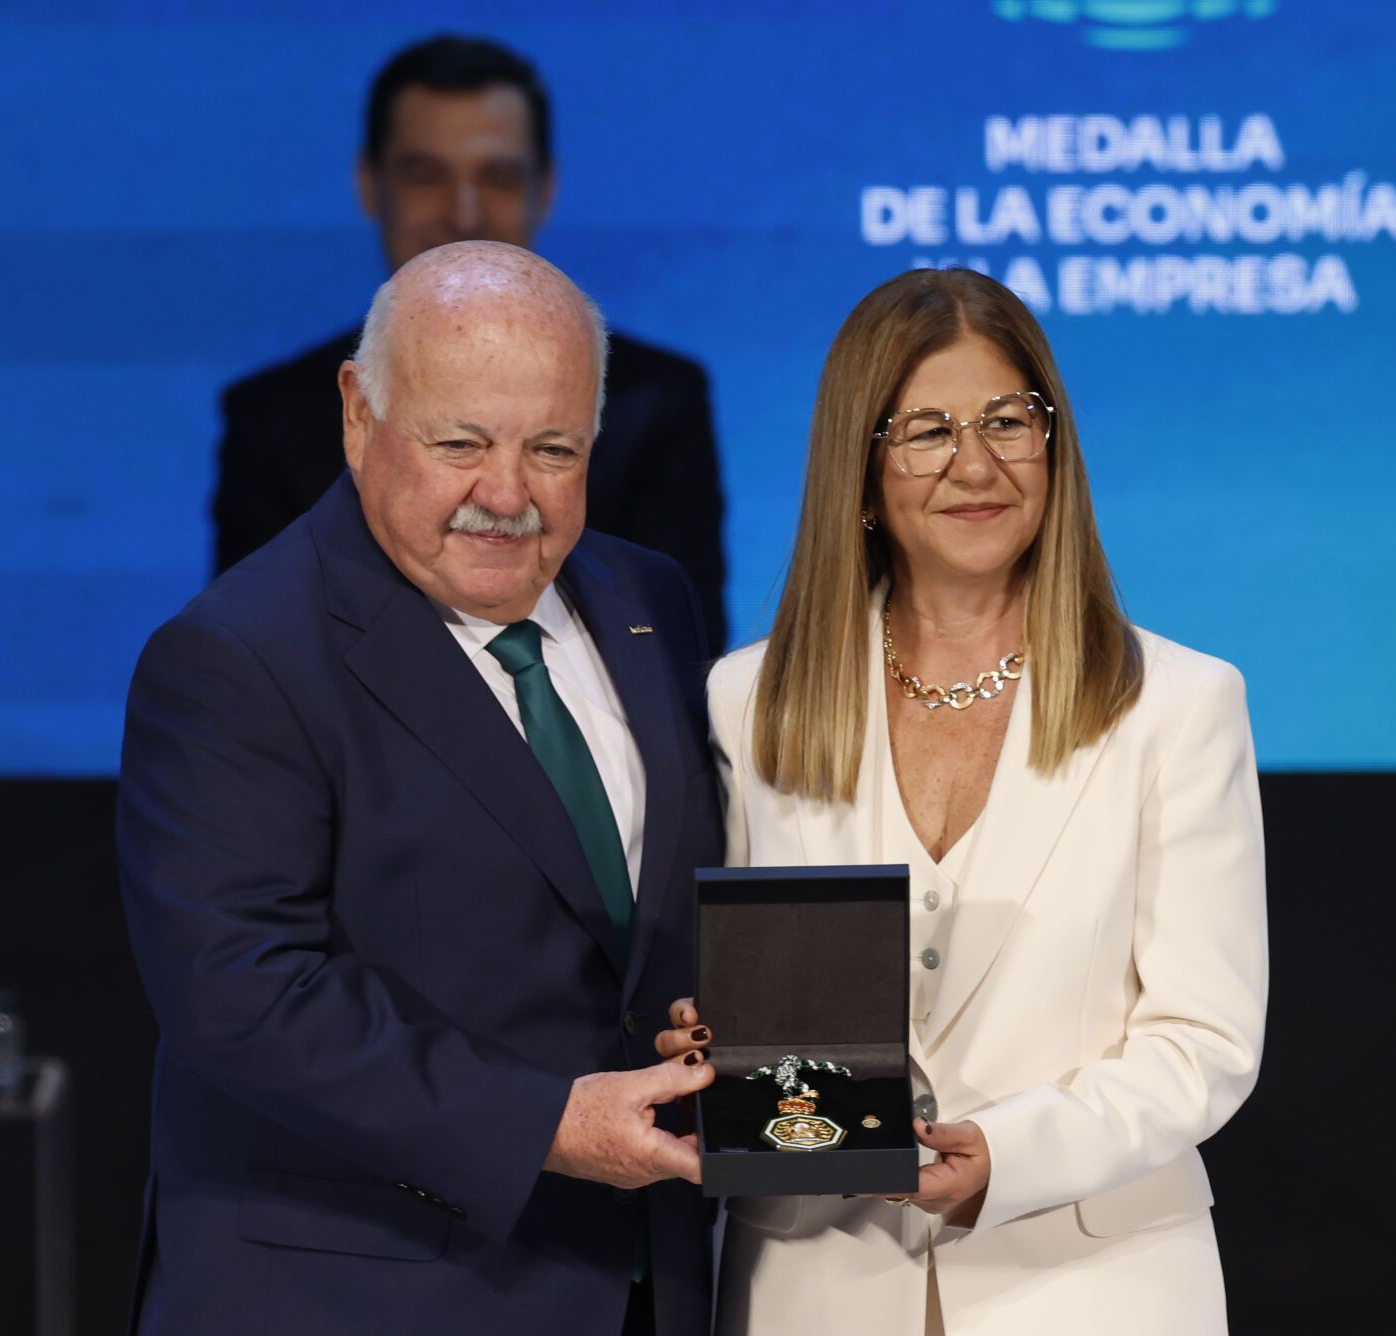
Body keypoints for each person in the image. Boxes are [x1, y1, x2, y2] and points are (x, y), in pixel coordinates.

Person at [119, 241, 723, 1335]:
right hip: (361, 1293)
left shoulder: (648, 596)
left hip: (646, 1279)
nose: (507, 494)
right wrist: (545, 1122)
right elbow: (242, 993)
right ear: (358, 413)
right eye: (458, 443)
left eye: (552, 447)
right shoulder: (236, 657)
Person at [658, 267, 1267, 1333]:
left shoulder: (1177, 703)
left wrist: (1009, 1156)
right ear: (860, 465)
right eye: (927, 430)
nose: (974, 464)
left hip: (1096, 1287)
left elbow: (1202, 1040)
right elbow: (742, 987)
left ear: (1053, 444)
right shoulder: (747, 702)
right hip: (815, 1284)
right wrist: (706, 1041)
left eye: (1005, 420)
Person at [211, 34, 729, 648]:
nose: (463, 213)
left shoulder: (655, 400)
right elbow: (252, 653)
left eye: (498, 178)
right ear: (370, 185)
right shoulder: (274, 417)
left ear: (546, 189)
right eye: (425, 176)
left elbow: (675, 650)